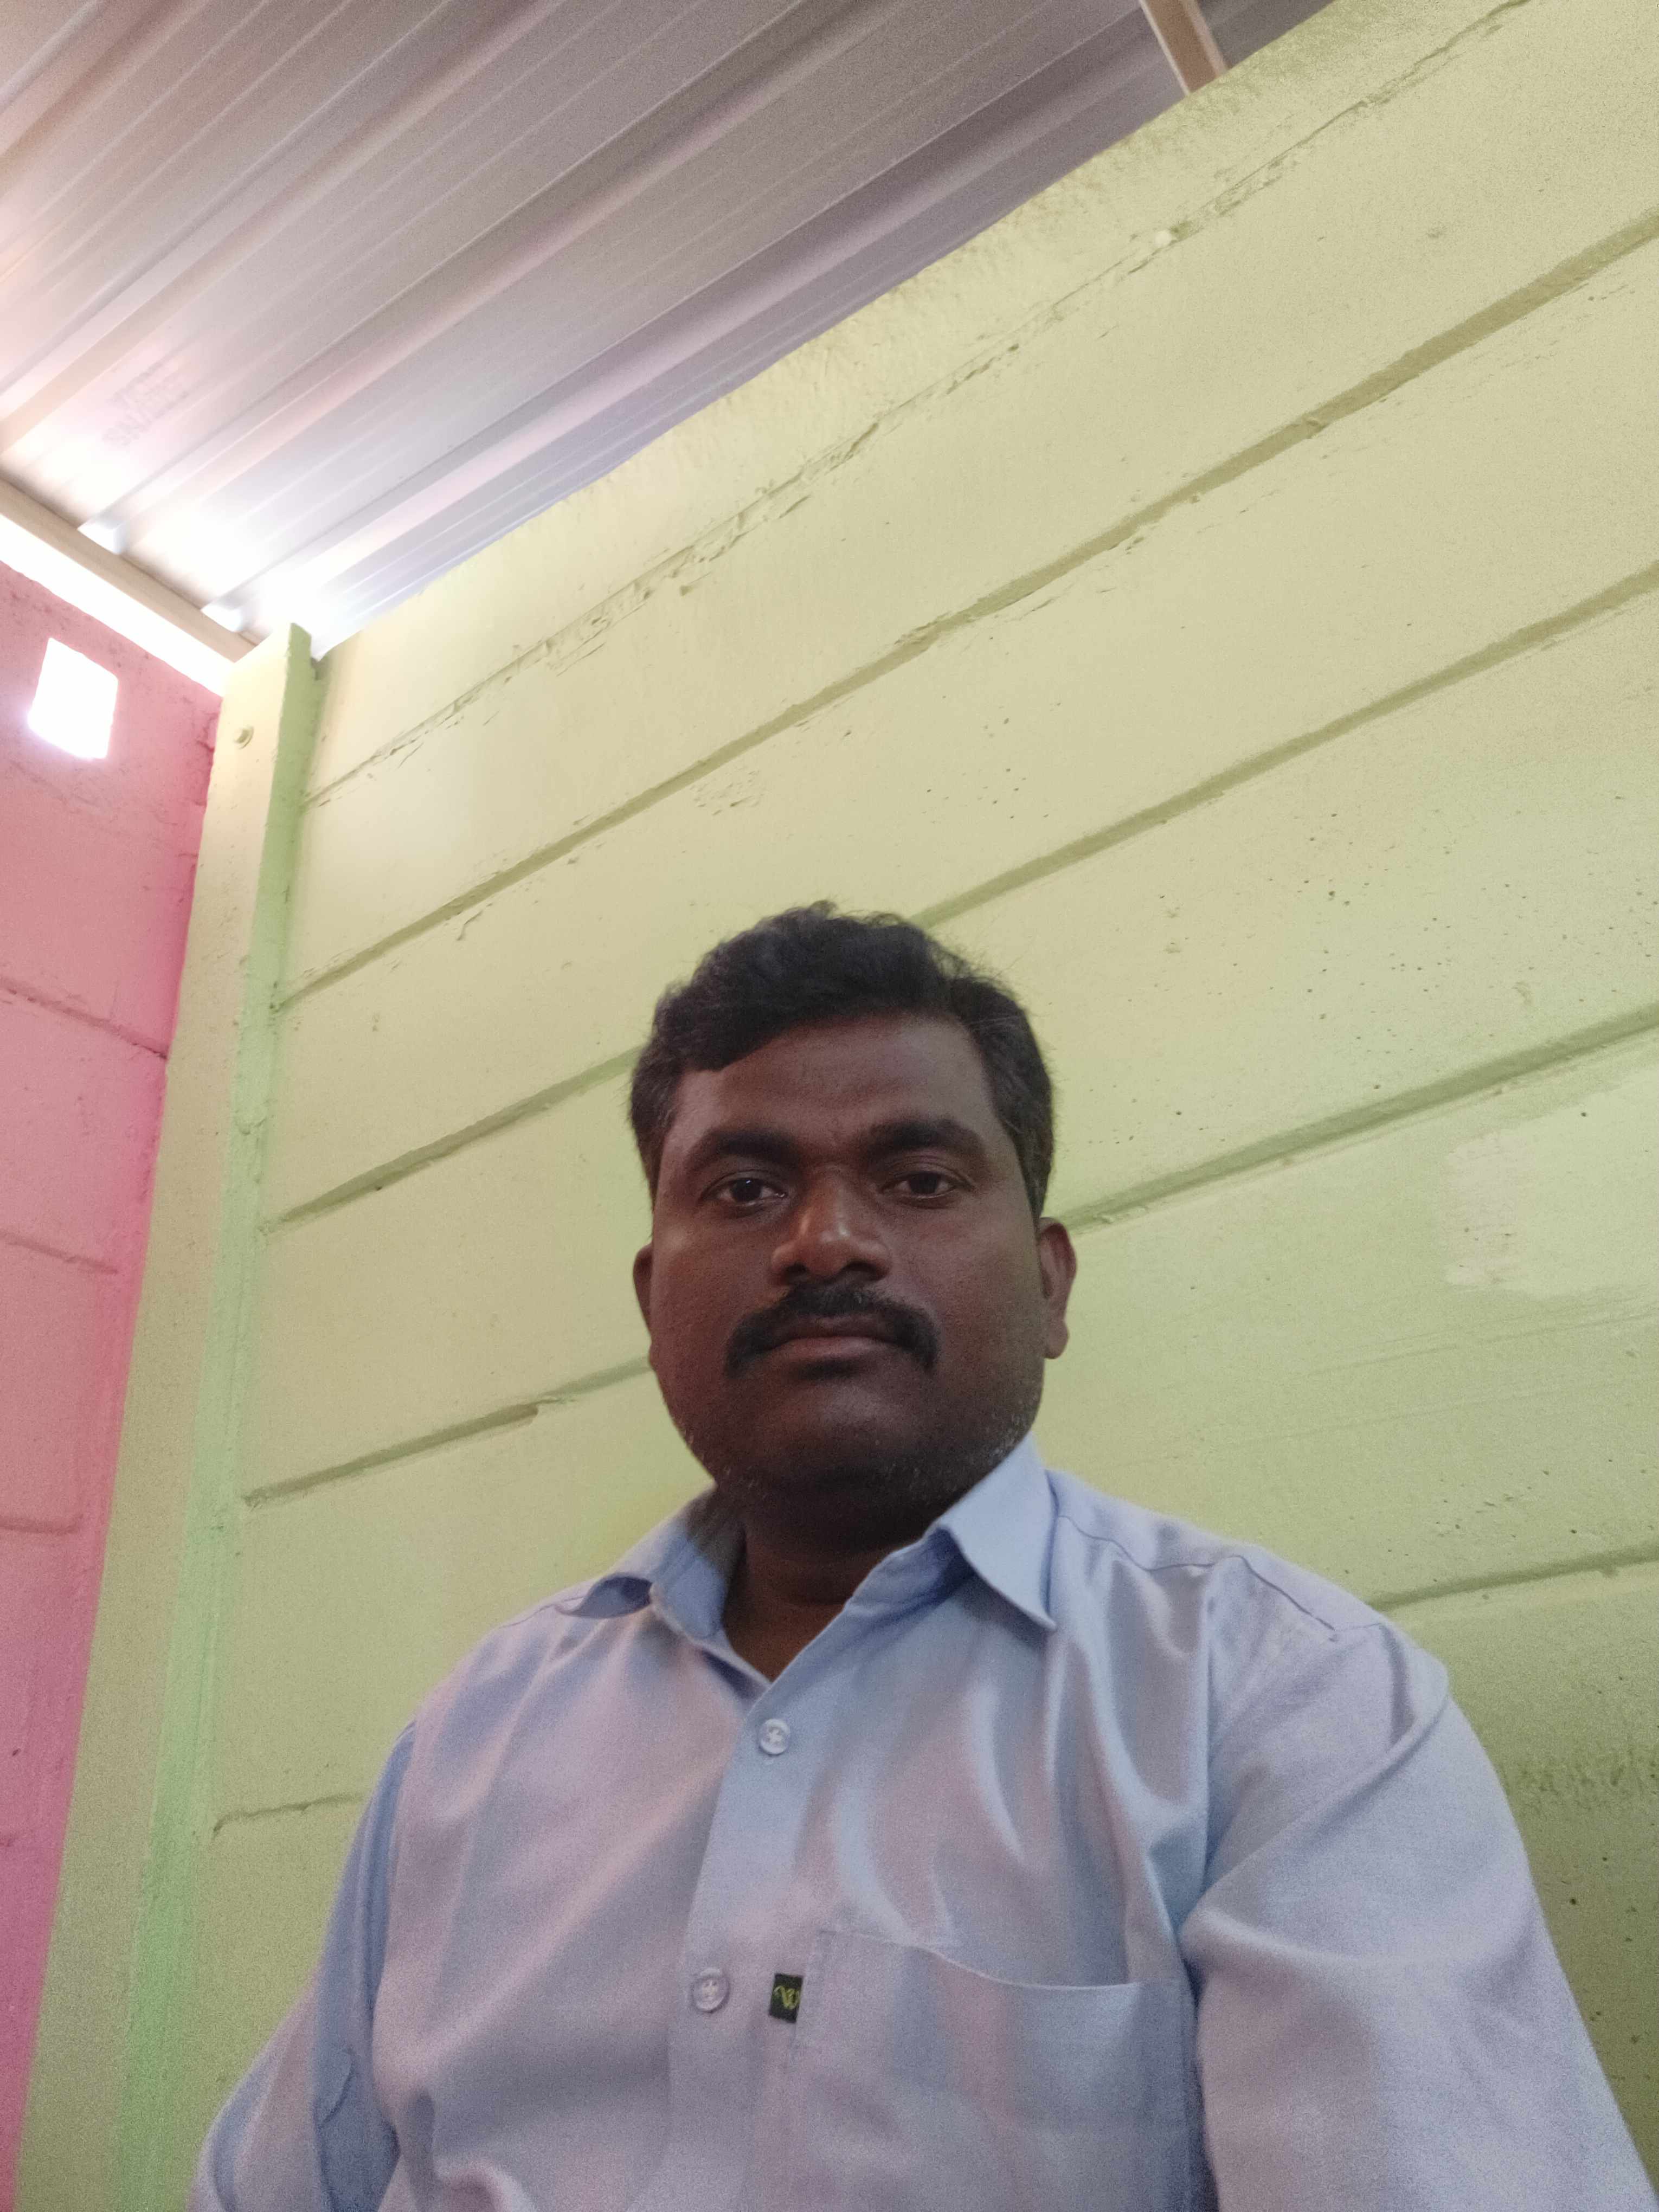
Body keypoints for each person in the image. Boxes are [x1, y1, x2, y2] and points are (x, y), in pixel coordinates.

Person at [194, 903, 1653, 2210]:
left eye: (921, 1178)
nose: (825, 1243)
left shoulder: (1281, 1705)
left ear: (1051, 1284)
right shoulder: (476, 1738)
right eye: (744, 1189)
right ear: (651, 1304)